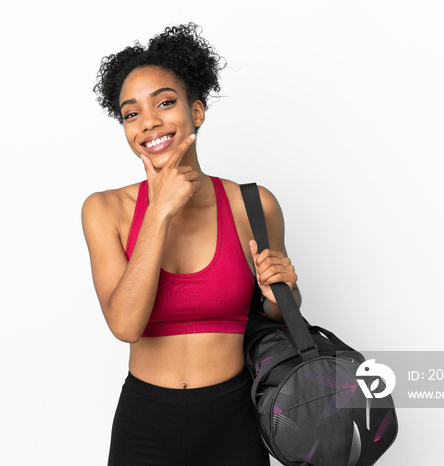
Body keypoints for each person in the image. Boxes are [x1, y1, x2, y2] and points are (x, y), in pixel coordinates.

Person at [82, 23, 302, 466]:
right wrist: (159, 212)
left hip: (235, 420)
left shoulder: (254, 205)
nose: (149, 122)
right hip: (145, 423)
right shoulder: (106, 210)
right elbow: (125, 325)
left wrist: (284, 292)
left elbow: (278, 315)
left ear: (197, 111)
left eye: (165, 102)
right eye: (131, 113)